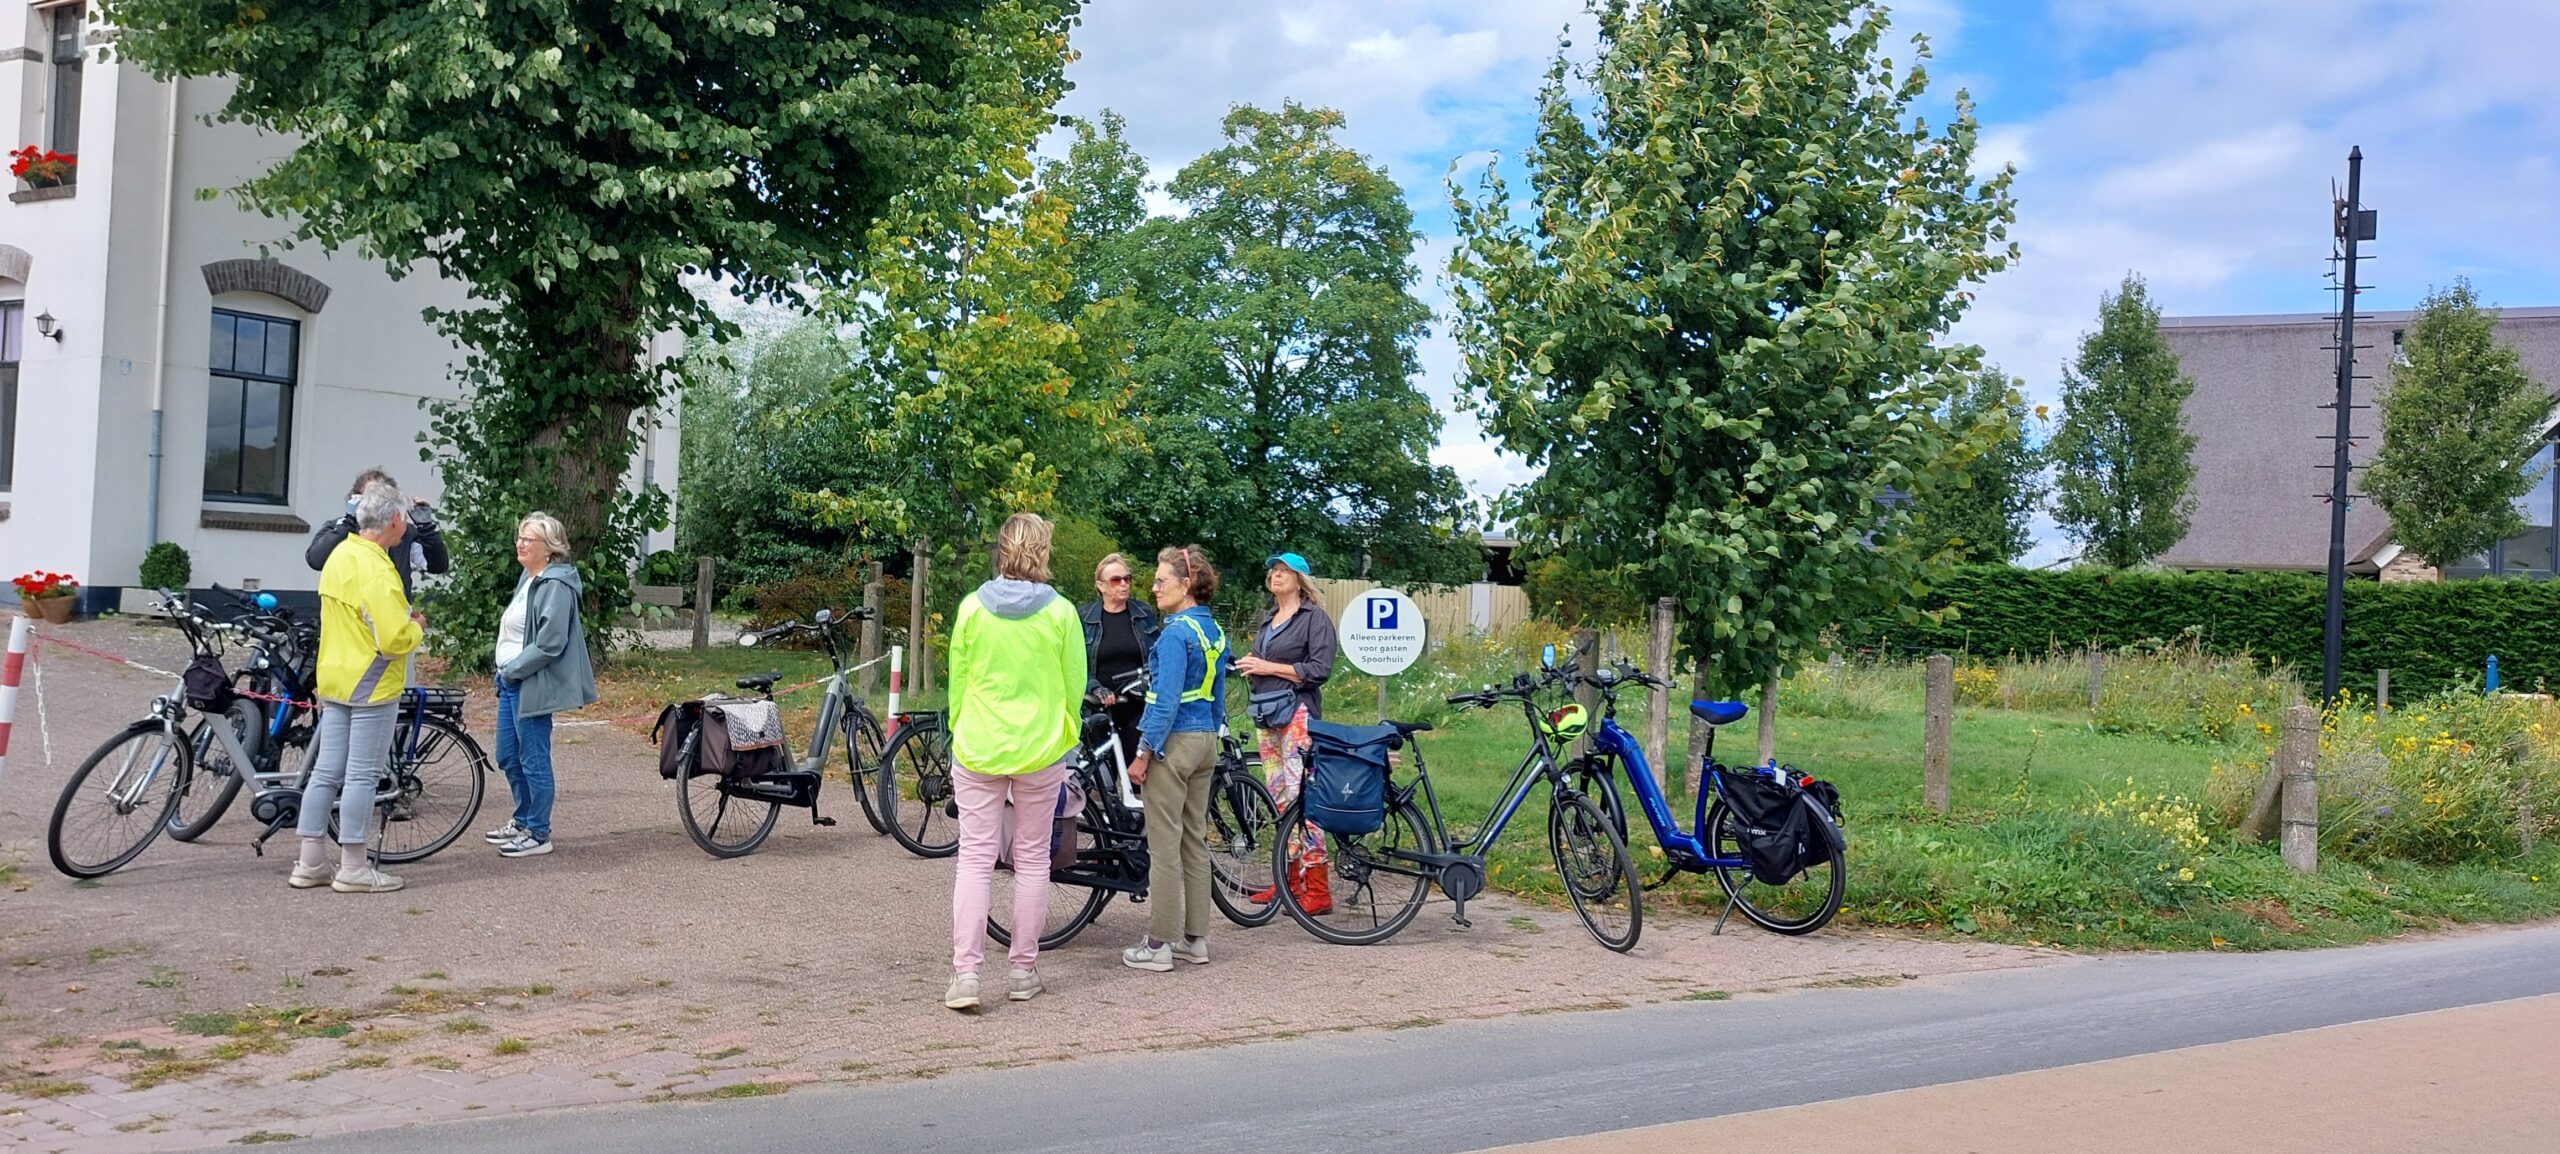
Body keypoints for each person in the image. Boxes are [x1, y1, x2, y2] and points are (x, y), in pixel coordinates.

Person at [942, 513, 1087, 1012]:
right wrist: (1063, 736)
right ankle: (1023, 971)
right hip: (1041, 750)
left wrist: (961, 729)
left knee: (975, 859)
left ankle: (966, 975)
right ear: (1042, 551)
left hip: (980, 747)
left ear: (1001, 549)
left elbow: (958, 682)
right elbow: (1075, 686)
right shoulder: (1062, 613)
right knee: (1031, 860)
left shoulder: (971, 610)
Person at [290, 482, 424, 894]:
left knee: (326, 771)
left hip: (335, 676)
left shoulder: (341, 555)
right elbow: (392, 638)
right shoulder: (377, 567)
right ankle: (353, 865)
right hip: (372, 681)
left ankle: (310, 860)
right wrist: (416, 629)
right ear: (395, 519)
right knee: (363, 775)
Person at [1124, 545, 1226, 973]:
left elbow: (1163, 703)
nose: (1153, 587)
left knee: (1162, 846)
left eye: (1161, 581)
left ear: (1187, 585)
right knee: (1194, 841)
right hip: (1205, 741)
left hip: (1173, 744)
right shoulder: (1214, 631)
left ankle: (1159, 944)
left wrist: (1144, 751)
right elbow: (1217, 695)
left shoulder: (1173, 635)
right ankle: (1195, 940)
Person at [483, 512, 596, 859]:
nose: (520, 543)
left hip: (530, 682)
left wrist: (513, 669)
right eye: (519, 536)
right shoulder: (527, 579)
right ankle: (522, 819)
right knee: (507, 755)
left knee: (533, 759)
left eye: (528, 539)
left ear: (548, 549)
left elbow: (549, 642)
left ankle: (538, 831)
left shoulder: (555, 586)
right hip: (511, 680)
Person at [1232, 551, 1337, 914]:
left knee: (1302, 799)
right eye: (1273, 570)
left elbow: (1320, 669)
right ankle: (1288, 883)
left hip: (1297, 714)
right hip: (1267, 714)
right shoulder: (1268, 620)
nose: (1276, 576)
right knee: (1280, 798)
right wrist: (1248, 665)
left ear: (1300, 579)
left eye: (1284, 571)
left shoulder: (1314, 619)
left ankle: (1318, 890)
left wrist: (1267, 665)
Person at [306, 468, 449, 600]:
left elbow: (437, 566)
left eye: (383, 499)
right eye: (371, 498)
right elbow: (316, 560)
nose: (376, 505)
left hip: (394, 609)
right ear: (356, 500)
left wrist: (425, 527)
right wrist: (347, 524)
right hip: (353, 612)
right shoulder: (339, 527)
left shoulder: (403, 532)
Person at [1078, 552, 1160, 763]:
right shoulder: (1084, 618)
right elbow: (1075, 664)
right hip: (1100, 708)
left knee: (1140, 776)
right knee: (1102, 783)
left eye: (1127, 578)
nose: (1123, 584)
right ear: (1101, 585)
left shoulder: (1143, 613)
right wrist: (1095, 687)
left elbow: (1157, 655)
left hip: (1138, 708)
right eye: (1116, 580)